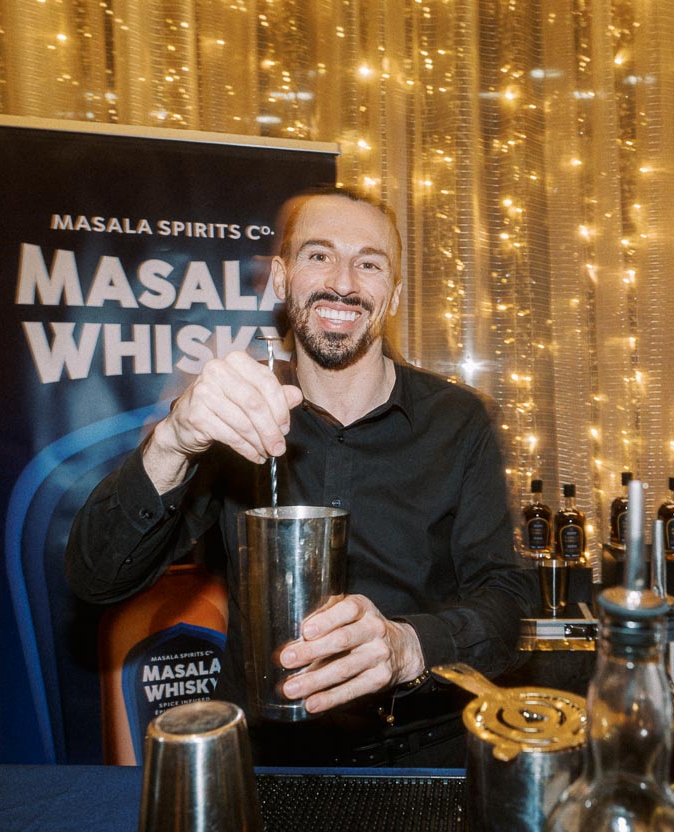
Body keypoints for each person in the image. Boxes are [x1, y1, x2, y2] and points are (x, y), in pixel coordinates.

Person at [66, 186, 535, 767]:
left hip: (425, 753)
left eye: (369, 263)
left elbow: (508, 601)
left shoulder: (459, 421)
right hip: (268, 757)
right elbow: (96, 576)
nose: (343, 281)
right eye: (319, 255)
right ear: (282, 279)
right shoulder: (230, 416)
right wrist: (175, 440)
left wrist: (407, 647)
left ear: (392, 295)